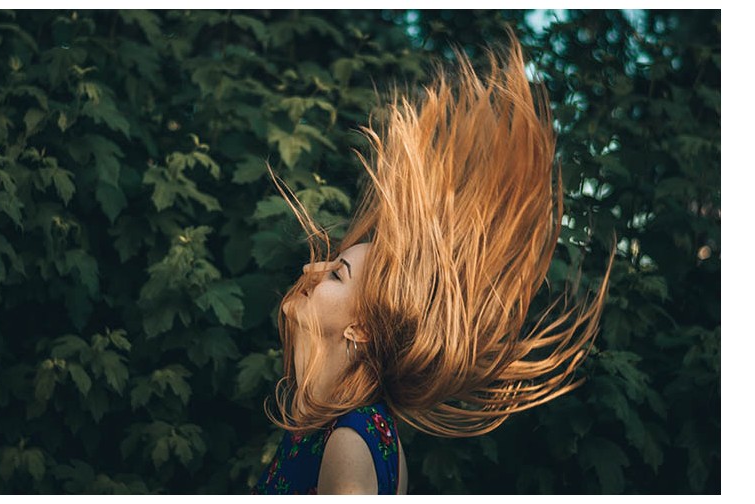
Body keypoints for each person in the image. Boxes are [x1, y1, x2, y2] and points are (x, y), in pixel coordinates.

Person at [252, 31, 612, 495]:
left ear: (359, 329)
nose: (314, 269)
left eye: (337, 273)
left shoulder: (348, 441)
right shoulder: (346, 431)